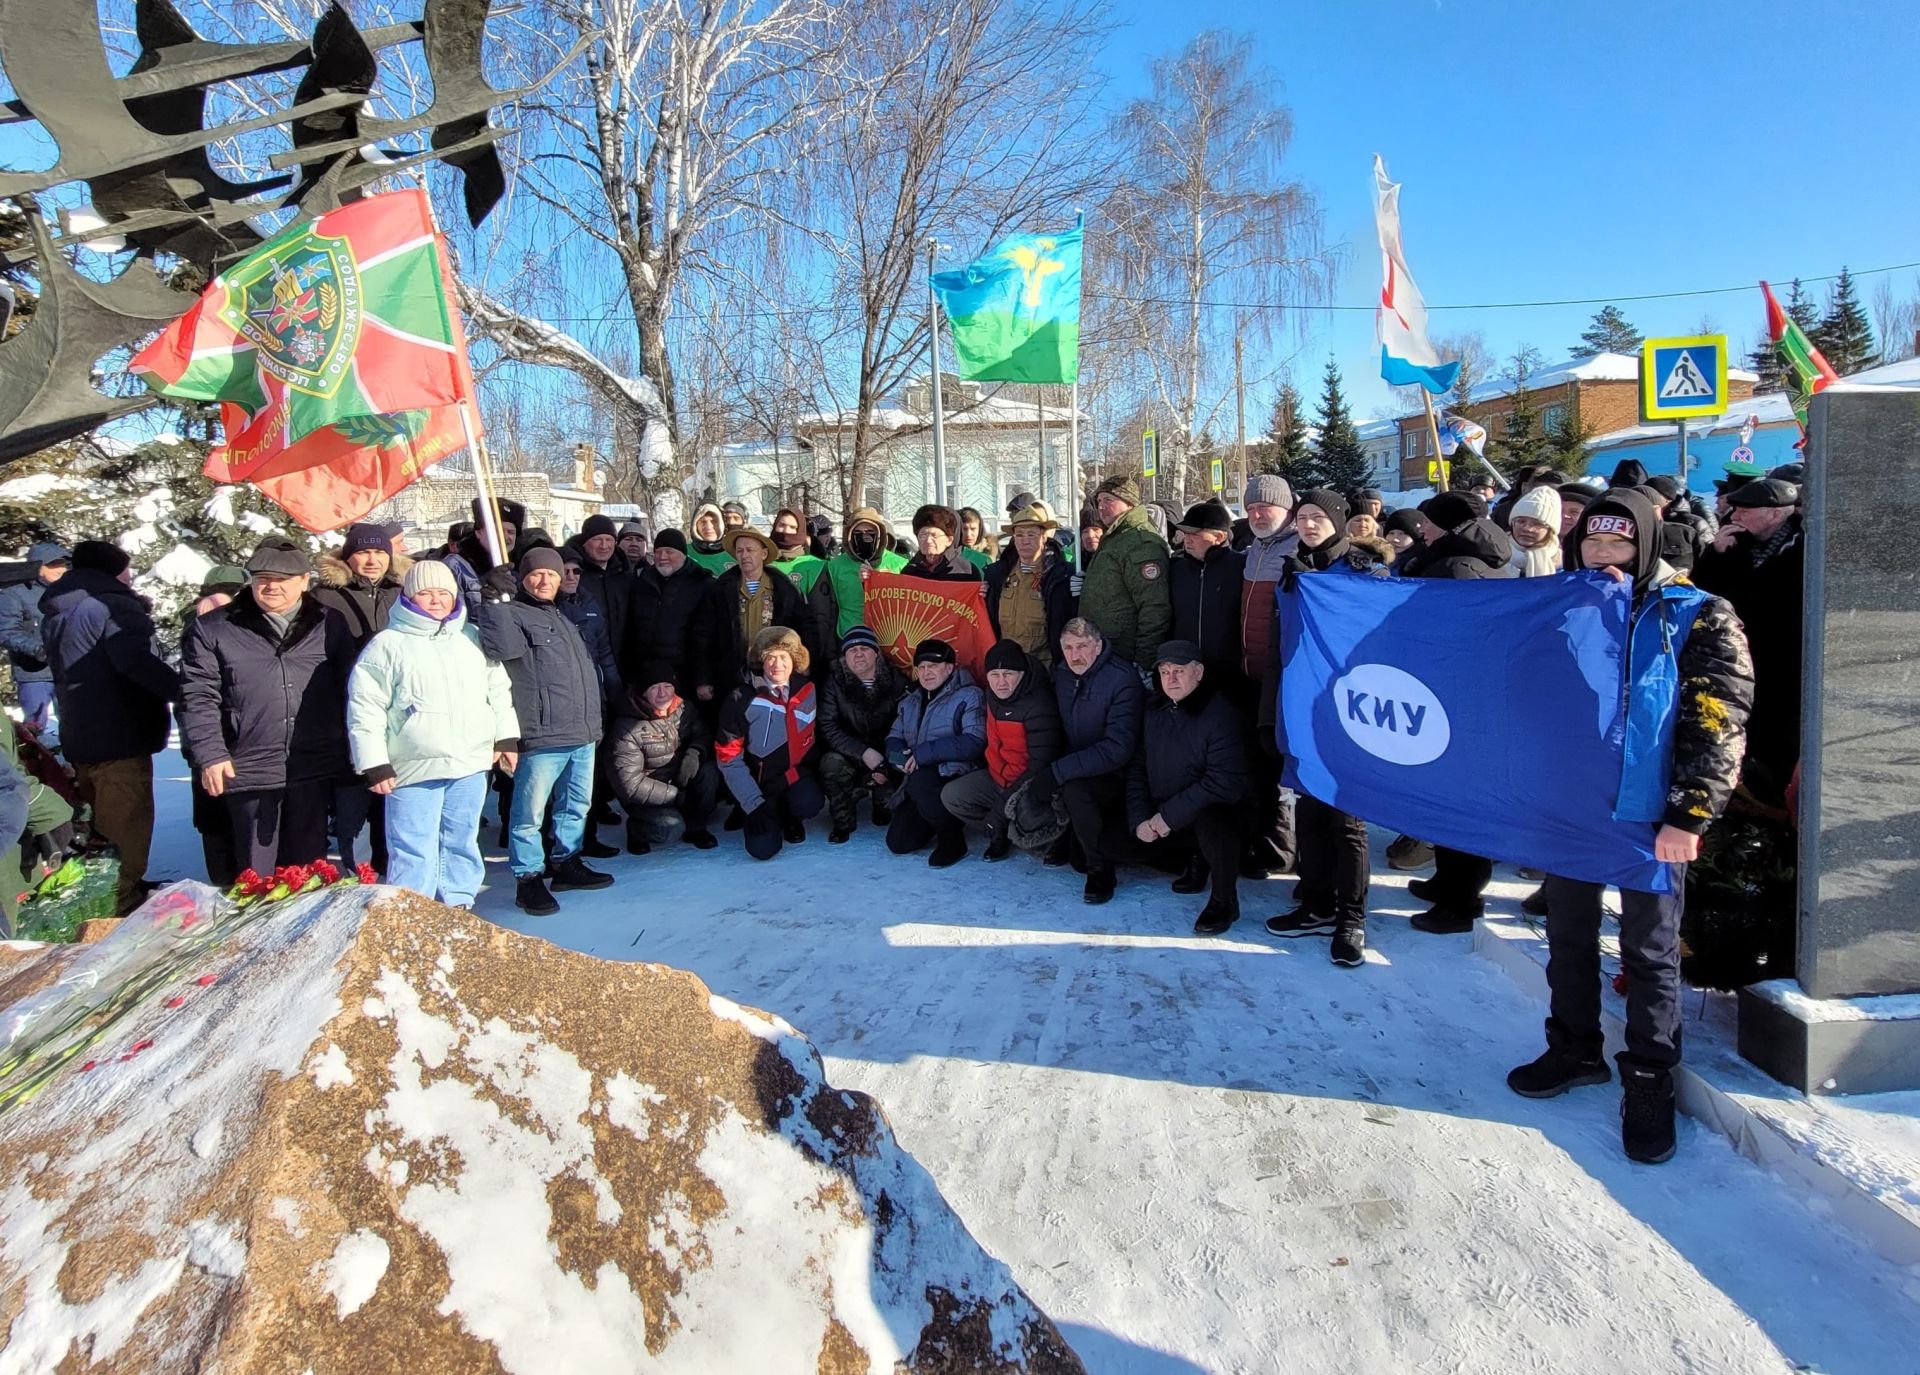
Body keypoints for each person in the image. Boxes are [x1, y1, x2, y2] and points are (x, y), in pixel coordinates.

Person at [1509, 489, 1752, 1165]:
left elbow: (1718, 721)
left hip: (1649, 813)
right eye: (1593, 544)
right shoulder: (1565, 606)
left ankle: (1648, 1076)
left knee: (1649, 947)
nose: (1605, 556)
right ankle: (1574, 1046)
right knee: (1569, 931)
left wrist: (1689, 813)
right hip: (1572, 805)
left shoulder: (1698, 614)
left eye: (1618, 544)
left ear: (1645, 544)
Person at [1260, 492, 1390, 968]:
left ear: (1337, 523)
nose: (1310, 525)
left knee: (1348, 821)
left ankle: (1350, 917)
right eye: (1304, 518)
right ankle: (1315, 901)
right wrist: (1269, 714)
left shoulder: (1361, 570)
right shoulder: (1295, 569)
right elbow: (1281, 647)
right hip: (1304, 707)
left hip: (1351, 711)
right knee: (1311, 810)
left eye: (1319, 518)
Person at [180, 537, 359, 878]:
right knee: (254, 873)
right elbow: (198, 695)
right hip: (248, 764)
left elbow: (350, 688)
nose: (271, 586)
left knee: (307, 870)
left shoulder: (328, 622)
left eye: (282, 579)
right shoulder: (215, 626)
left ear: (305, 581)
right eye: (263, 578)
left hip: (312, 761)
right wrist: (211, 753)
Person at [347, 561, 518, 910]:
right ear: (410, 596)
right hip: (413, 766)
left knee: (461, 839)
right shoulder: (388, 645)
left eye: (443, 592)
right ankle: (413, 911)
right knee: (412, 845)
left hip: (470, 761)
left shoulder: (470, 637)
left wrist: (505, 738)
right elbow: (365, 708)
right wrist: (374, 762)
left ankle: (459, 903)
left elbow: (498, 689)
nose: (436, 600)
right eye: (426, 593)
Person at [476, 546, 615, 914]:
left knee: (575, 806)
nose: (545, 581)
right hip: (543, 732)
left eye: (552, 575)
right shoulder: (513, 614)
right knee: (529, 812)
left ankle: (567, 862)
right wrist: (491, 600)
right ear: (522, 578)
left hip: (582, 731)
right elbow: (501, 647)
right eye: (536, 574)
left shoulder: (563, 616)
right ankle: (529, 878)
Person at [1691, 477, 1802, 804]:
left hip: (1784, 663)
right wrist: (1716, 556)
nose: (1734, 515)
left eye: (1745, 510)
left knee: (1777, 740)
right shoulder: (1735, 544)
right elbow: (1703, 597)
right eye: (1735, 508)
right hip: (1738, 658)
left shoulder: (1800, 547)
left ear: (1775, 514)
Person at [1131, 640, 1249, 935]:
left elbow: (1223, 783)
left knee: (1214, 823)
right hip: (1166, 815)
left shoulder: (1221, 713)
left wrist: (1167, 817)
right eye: (1164, 671)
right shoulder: (1154, 709)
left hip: (1213, 814)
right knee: (1107, 845)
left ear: (1198, 672)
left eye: (1179, 671)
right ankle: (1191, 859)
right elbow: (1138, 766)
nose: (1170, 679)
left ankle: (1224, 899)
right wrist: (1139, 819)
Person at [1034, 617, 1143, 904]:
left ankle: (1100, 869)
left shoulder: (1121, 679)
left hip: (1121, 773)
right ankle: (1071, 836)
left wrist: (1058, 771)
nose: (1075, 655)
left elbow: (1118, 748)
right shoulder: (1063, 675)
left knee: (1074, 788)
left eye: (1082, 646)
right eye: (1068, 647)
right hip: (1083, 762)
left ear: (1097, 646)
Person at [941, 639, 1063, 861]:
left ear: (1022, 673)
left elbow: (1039, 766)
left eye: (1008, 674)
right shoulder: (991, 695)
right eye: (994, 675)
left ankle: (1039, 838)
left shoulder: (1039, 706)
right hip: (997, 777)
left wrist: (1000, 809)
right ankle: (1004, 833)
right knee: (952, 796)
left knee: (1029, 826)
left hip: (1028, 786)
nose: (1001, 682)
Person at [716, 625, 824, 860]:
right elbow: (728, 758)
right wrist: (753, 803)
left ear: (795, 661)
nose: (777, 665)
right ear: (760, 662)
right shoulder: (741, 697)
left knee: (811, 802)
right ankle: (762, 811)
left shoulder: (808, 690)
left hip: (794, 776)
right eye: (770, 658)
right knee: (762, 849)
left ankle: (790, 816)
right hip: (758, 786)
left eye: (783, 657)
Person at [1238, 474, 1299, 877]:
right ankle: (1263, 840)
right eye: (1252, 508)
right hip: (1249, 673)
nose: (1258, 514)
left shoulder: (1297, 550)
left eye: (1266, 507)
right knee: (1258, 763)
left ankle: (1284, 849)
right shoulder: (1251, 549)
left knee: (1284, 768)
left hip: (1284, 679)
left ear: (1286, 510)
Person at [883, 638, 986, 866]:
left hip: (955, 776)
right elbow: (893, 739)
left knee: (920, 781)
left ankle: (952, 838)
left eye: (933, 666)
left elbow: (974, 741)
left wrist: (922, 753)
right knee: (898, 843)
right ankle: (936, 818)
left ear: (949, 668)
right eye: (921, 667)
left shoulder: (969, 696)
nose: (926, 672)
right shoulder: (910, 701)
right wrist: (900, 758)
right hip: (919, 780)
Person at [608, 660, 720, 853]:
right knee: (670, 827)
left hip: (680, 783)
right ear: (643, 691)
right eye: (655, 688)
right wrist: (674, 795)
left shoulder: (684, 709)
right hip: (648, 797)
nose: (662, 693)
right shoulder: (626, 727)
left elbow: (703, 735)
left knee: (709, 771)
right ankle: (637, 828)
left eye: (667, 686)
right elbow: (630, 785)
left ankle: (696, 826)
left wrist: (695, 753)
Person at [817, 624, 909, 843]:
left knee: (905, 762)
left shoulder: (897, 681)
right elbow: (828, 726)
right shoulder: (833, 683)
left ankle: (883, 801)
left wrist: (885, 761)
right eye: (852, 650)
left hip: (888, 751)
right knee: (830, 763)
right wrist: (864, 753)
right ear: (844, 657)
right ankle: (843, 819)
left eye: (864, 648)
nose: (858, 654)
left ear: (876, 654)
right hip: (852, 753)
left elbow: (907, 725)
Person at [1076, 475, 1172, 677]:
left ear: (1129, 502)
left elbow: (1154, 606)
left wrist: (1144, 662)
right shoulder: (1116, 537)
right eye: (1099, 501)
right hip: (1106, 650)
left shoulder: (1141, 542)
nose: (1101, 507)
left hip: (1124, 655)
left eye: (1108, 500)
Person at [714, 525, 813, 694]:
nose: (744, 555)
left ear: (764, 554)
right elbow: (706, 635)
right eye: (740, 551)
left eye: (750, 550)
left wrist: (803, 665)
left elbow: (805, 628)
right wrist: (704, 678)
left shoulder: (785, 589)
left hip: (774, 672)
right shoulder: (720, 589)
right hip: (731, 673)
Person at [628, 529, 721, 704]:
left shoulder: (702, 584)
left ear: (683, 555)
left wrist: (703, 679)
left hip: (686, 676)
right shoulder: (642, 583)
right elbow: (632, 630)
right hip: (650, 678)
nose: (662, 556)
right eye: (658, 552)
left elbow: (705, 637)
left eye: (669, 552)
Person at [983, 502, 1074, 670]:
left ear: (1044, 536)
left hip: (1044, 669)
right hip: (1008, 668)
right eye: (1019, 535)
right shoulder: (997, 575)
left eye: (1031, 535)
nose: (1025, 541)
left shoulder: (1061, 576)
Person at [1167, 500, 1244, 694]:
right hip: (1185, 672)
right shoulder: (1175, 569)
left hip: (1231, 675)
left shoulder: (1241, 568)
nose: (1187, 539)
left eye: (1194, 534)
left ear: (1219, 536)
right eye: (1185, 533)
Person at [1, 541, 67, 734]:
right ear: (37, 567)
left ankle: (73, 762)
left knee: (75, 724)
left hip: (67, 670)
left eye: (63, 563)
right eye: (53, 564)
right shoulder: (14, 593)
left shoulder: (70, 590)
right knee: (35, 726)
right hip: (34, 673)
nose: (60, 569)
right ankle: (38, 760)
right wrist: (38, 649)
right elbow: (6, 631)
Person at [816, 507, 908, 643]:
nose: (864, 536)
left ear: (880, 534)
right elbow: (829, 610)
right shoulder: (835, 566)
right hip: (849, 639)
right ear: (849, 535)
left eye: (870, 532)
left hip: (890, 639)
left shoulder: (900, 565)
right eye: (857, 532)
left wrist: (878, 581)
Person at [314, 522, 405, 648]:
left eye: (379, 552)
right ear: (347, 557)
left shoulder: (403, 593)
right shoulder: (324, 597)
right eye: (363, 552)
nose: (372, 561)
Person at [556, 549, 624, 706]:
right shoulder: (546, 607)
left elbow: (605, 654)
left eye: (576, 571)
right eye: (564, 571)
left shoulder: (589, 603)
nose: (571, 577)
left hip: (594, 689)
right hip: (563, 693)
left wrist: (616, 693)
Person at [567, 514, 634, 669]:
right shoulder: (573, 575)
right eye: (597, 539)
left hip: (623, 662)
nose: (604, 545)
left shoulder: (624, 574)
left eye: (609, 539)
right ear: (585, 542)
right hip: (587, 661)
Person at [1397, 491, 1515, 580]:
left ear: (1446, 528)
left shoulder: (1456, 570)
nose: (1421, 530)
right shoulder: (1475, 559)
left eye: (1427, 522)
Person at [902, 505, 982, 581]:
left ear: (949, 540)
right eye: (923, 535)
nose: (928, 540)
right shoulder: (910, 571)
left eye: (934, 535)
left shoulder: (966, 571)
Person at [1506, 486, 1564, 578]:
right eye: (1521, 521)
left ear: (1551, 530)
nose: (1527, 529)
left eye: (1537, 524)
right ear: (1512, 523)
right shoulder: (1492, 556)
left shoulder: (1565, 566)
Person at [687, 504, 735, 575]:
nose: (708, 527)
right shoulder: (683, 553)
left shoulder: (735, 553)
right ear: (695, 526)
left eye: (714, 521)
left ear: (722, 525)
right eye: (703, 522)